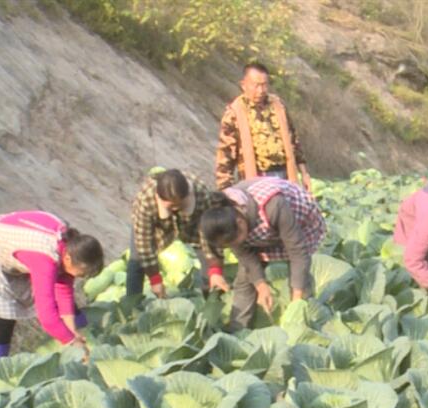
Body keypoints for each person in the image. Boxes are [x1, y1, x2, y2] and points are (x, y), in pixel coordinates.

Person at [0, 211, 103, 365]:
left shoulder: (70, 246)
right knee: (5, 318)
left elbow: (64, 291)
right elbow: (47, 318)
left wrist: (73, 332)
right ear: (68, 258)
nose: (82, 277)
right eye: (82, 273)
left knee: (64, 303)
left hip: (17, 244)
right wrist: (72, 342)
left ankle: (85, 334)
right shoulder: (45, 260)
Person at [200, 177, 326, 331]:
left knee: (300, 277)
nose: (235, 245)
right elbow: (246, 257)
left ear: (240, 223)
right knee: (245, 279)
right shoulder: (224, 219)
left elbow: (297, 253)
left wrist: (297, 300)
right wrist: (261, 286)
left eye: (236, 241)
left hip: (296, 222)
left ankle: (304, 326)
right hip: (260, 230)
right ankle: (238, 330)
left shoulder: (273, 205)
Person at [214, 63, 311, 192]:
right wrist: (226, 190)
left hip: (284, 174)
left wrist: (304, 173)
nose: (260, 91)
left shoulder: (278, 106)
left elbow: (293, 140)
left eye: (264, 85)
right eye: (256, 85)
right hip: (256, 178)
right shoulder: (234, 113)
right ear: (243, 85)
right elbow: (225, 155)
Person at [127, 168, 213, 298]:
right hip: (157, 226)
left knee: (207, 258)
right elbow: (144, 244)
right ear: (159, 198)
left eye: (180, 204)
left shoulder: (201, 193)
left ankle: (210, 296)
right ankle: (132, 302)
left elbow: (208, 235)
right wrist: (155, 279)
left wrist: (215, 270)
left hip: (192, 222)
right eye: (171, 206)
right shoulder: (146, 200)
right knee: (137, 259)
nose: (176, 208)